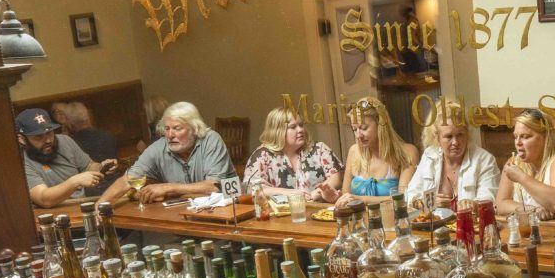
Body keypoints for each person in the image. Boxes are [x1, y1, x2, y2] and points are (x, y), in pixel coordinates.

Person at [98, 101, 234, 204]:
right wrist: (100, 206)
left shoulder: (210, 139)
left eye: (177, 128)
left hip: (228, 211)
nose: (170, 135)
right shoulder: (158, 148)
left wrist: (167, 188)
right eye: (167, 129)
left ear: (194, 128)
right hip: (184, 214)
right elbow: (127, 180)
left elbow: (214, 187)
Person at [326, 96, 419, 206]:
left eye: (364, 128)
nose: (358, 135)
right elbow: (347, 196)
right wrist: (335, 197)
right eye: (354, 129)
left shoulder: (408, 152)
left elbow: (403, 200)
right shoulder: (354, 151)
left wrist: (362, 199)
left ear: (380, 124)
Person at [405, 99, 500, 206]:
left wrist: (473, 205)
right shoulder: (429, 155)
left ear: (467, 133)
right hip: (435, 222)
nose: (455, 142)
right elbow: (410, 195)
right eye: (449, 136)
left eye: (460, 135)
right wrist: (429, 202)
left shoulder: (485, 160)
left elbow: (490, 200)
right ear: (437, 138)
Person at [17, 108, 117, 208]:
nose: (48, 140)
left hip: (83, 203)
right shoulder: (21, 162)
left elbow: (88, 166)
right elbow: (44, 199)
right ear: (22, 139)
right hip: (54, 212)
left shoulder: (64, 141)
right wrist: (75, 182)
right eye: (39, 136)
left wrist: (101, 167)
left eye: (49, 133)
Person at [243, 105, 343, 201]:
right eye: (293, 127)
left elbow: (336, 177)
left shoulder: (319, 149)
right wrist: (292, 193)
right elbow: (253, 189)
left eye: (301, 125)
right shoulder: (262, 155)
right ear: (278, 131)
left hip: (321, 211)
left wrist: (318, 192)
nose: (300, 130)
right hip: (283, 215)